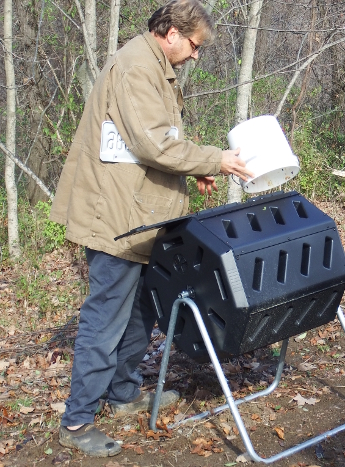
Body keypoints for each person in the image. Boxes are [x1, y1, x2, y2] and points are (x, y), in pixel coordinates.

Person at [50, 0, 253, 458]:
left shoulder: (154, 66)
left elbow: (160, 141)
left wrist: (194, 168)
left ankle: (123, 394)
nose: (197, 55)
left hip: (143, 215)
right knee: (105, 318)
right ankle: (77, 420)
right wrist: (214, 160)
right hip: (115, 217)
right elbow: (151, 142)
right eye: (196, 46)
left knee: (143, 311)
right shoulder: (136, 67)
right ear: (172, 32)